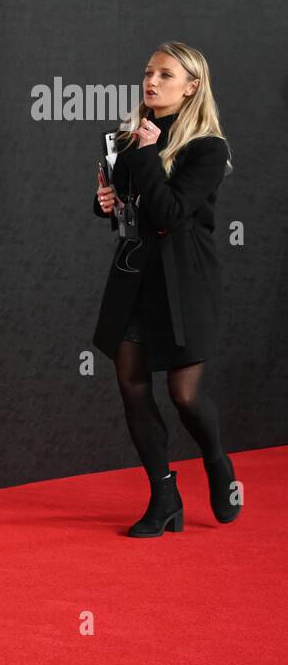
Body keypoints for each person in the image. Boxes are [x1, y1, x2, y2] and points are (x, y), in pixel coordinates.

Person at [91, 41, 239, 537]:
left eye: (166, 75)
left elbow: (173, 214)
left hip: (186, 280)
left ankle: (216, 462)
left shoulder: (207, 148)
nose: (151, 82)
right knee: (131, 384)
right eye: (148, 73)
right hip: (135, 274)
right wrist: (107, 201)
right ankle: (164, 494)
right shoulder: (130, 140)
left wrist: (149, 153)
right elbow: (134, 210)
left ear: (191, 87)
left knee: (184, 394)